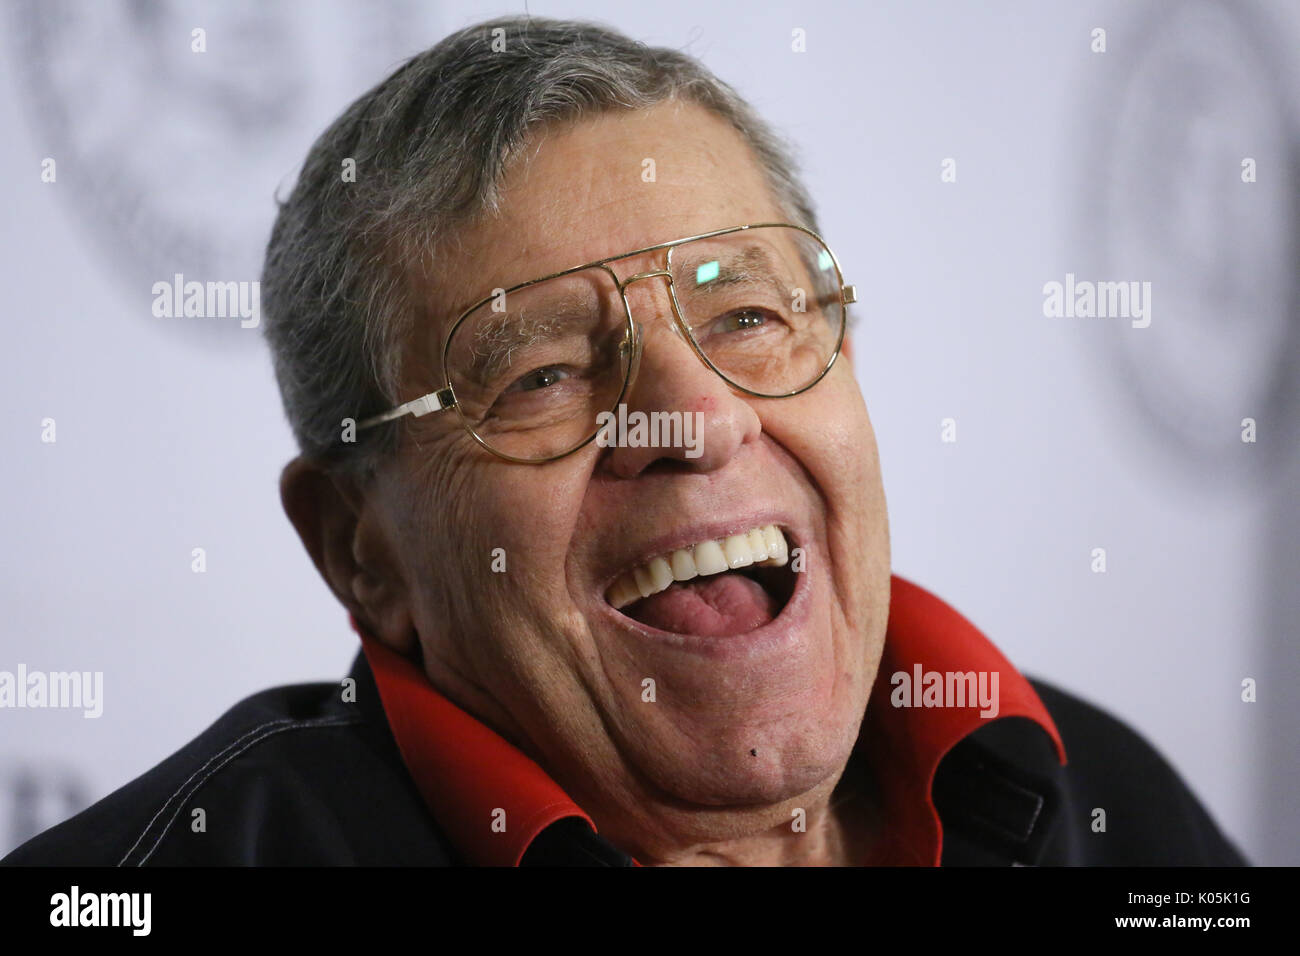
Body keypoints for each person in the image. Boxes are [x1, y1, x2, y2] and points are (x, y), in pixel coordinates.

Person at [4, 15, 1245, 867]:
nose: (697, 416)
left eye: (749, 315)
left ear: (845, 366)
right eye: (539, 371)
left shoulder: (1098, 795)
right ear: (359, 547)